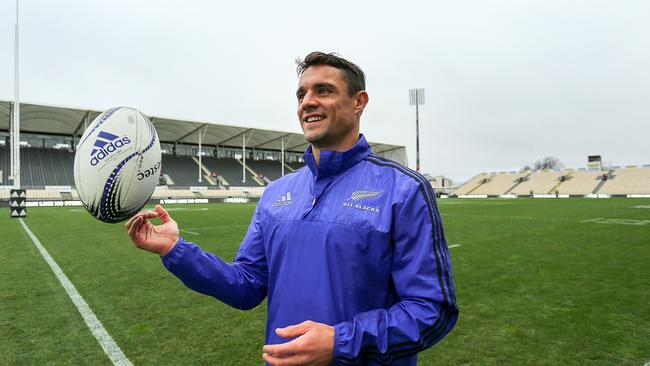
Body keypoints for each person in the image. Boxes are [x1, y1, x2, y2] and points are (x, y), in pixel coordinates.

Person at [125, 51, 458, 365]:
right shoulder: (276, 193)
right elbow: (245, 285)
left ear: (359, 102)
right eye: (301, 94)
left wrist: (341, 342)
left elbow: (432, 309)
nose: (308, 102)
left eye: (323, 90)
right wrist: (177, 251)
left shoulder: (404, 189)